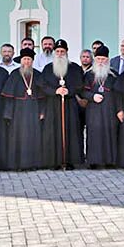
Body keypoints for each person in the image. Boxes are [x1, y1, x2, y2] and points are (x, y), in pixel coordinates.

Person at [38, 39, 84, 169]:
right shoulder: (48, 68)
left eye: (62, 51)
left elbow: (80, 85)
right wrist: (55, 91)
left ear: (66, 52)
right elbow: (42, 85)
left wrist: (69, 91)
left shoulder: (74, 68)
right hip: (52, 105)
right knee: (53, 133)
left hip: (70, 105)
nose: (59, 54)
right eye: (57, 51)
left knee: (71, 132)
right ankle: (54, 161)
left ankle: (69, 161)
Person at [1, 48, 44, 171]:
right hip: (18, 111)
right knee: (17, 138)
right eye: (24, 59)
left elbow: (42, 97)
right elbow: (8, 97)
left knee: (34, 137)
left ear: (32, 61)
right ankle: (18, 165)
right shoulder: (14, 74)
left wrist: (42, 112)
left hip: (34, 109)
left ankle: (33, 164)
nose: (26, 62)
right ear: (21, 60)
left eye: (29, 59)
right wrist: (8, 114)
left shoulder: (38, 74)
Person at [81, 45, 118, 168]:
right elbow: (82, 92)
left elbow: (118, 93)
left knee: (109, 134)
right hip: (93, 110)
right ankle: (93, 161)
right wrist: (92, 97)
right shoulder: (89, 75)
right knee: (94, 134)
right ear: (95, 60)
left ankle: (109, 161)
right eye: (98, 59)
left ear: (107, 60)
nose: (101, 62)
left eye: (103, 59)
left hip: (109, 110)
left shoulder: (113, 75)